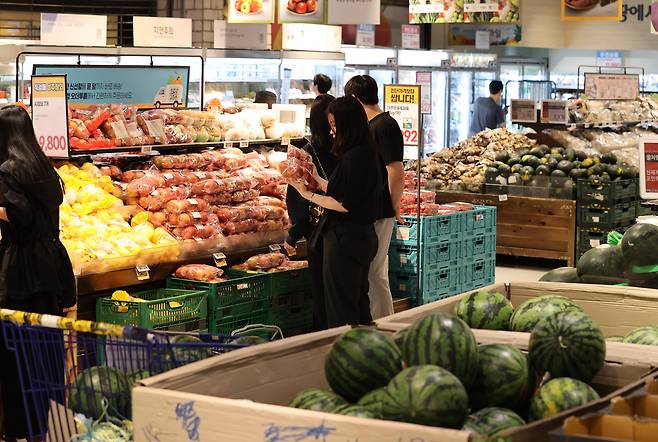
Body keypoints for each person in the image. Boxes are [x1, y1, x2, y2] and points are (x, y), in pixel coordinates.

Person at [0, 105, 76, 440]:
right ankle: (50, 426)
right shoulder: (43, 165)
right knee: (45, 350)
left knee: (15, 354)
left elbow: (21, 219)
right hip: (53, 266)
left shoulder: (7, 170)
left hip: (21, 272)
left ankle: (20, 430)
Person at [286, 96, 383, 327]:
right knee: (358, 302)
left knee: (341, 309)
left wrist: (307, 194)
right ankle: (366, 351)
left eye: (335, 125)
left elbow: (343, 203)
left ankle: (344, 353)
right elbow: (344, 190)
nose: (332, 132)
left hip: (345, 239)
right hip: (363, 236)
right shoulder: (366, 151)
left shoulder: (354, 158)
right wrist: (317, 181)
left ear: (347, 124)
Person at [344, 74, 403, 320]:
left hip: (381, 209)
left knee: (375, 271)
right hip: (371, 209)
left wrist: (392, 205)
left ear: (356, 100)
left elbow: (396, 170)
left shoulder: (384, 126)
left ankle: (383, 322)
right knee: (372, 270)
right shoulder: (370, 126)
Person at [284, 94, 338, 331]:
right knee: (342, 293)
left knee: (323, 294)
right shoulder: (347, 149)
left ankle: (323, 339)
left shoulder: (308, 152)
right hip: (348, 227)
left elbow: (296, 194)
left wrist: (294, 233)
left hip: (322, 229)